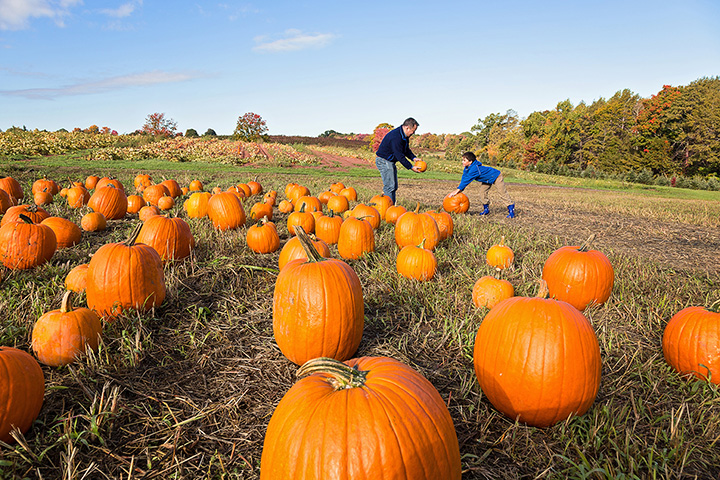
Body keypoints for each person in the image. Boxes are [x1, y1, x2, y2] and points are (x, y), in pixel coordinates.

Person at [446, 151, 515, 218]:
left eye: (464, 160)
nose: (462, 162)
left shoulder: (474, 169)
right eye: (462, 160)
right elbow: (464, 178)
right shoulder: (467, 168)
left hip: (496, 176)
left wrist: (457, 190)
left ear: (470, 162)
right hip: (486, 179)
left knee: (502, 192)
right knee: (482, 193)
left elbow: (467, 180)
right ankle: (486, 209)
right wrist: (459, 189)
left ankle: (511, 209)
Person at [375, 117, 423, 203]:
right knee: (390, 186)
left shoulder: (404, 136)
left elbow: (406, 150)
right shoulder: (396, 137)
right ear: (407, 127)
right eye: (413, 130)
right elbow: (399, 155)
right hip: (384, 160)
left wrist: (413, 158)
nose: (414, 133)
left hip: (389, 161)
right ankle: (388, 207)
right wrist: (411, 167)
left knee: (393, 186)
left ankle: (390, 206)